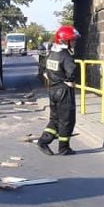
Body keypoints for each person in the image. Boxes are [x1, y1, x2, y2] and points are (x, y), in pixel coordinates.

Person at [37, 25, 79, 156]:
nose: (74, 42)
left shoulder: (52, 54)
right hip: (64, 91)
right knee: (67, 120)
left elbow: (44, 69)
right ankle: (64, 148)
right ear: (64, 41)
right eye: (72, 40)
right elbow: (72, 72)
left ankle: (44, 141)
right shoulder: (66, 56)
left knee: (55, 119)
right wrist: (70, 80)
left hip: (53, 90)